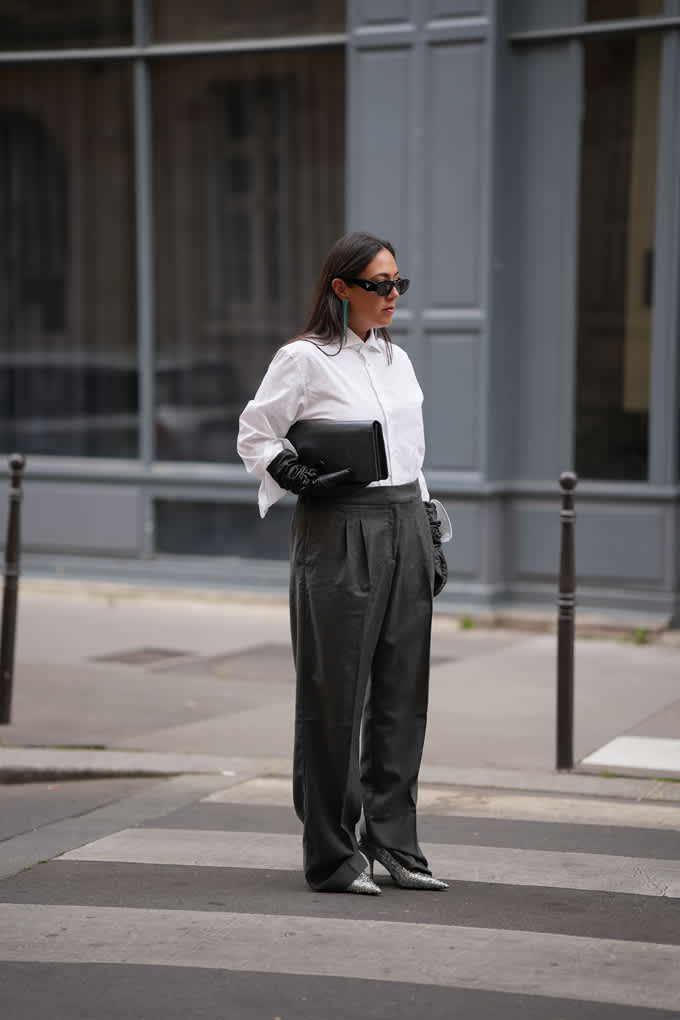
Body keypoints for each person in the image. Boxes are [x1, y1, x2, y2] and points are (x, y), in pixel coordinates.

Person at [237, 231, 452, 895]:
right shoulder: (304, 359)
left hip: (405, 525)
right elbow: (255, 432)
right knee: (334, 697)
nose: (392, 297)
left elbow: (411, 454)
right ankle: (332, 854)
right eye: (378, 285)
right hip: (339, 527)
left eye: (398, 284)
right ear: (342, 289)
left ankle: (393, 843)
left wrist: (431, 529)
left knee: (401, 694)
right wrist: (294, 472)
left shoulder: (398, 361)